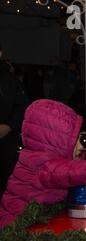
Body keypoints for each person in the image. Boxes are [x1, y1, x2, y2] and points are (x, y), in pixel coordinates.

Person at [0, 99, 86, 228]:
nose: (81, 145)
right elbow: (79, 172)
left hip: (30, 224)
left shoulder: (34, 156)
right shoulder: (45, 166)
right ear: (57, 141)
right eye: (75, 140)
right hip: (15, 230)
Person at [0, 44, 28, 198]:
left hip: (5, 139)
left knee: (6, 185)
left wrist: (9, 126)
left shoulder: (9, 79)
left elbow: (21, 105)